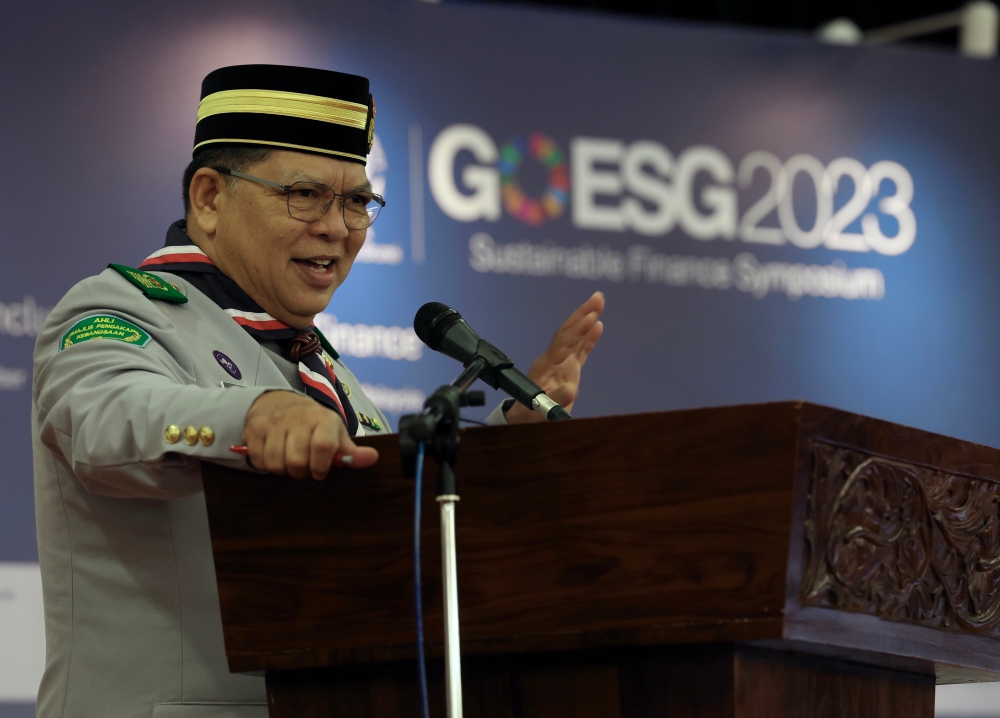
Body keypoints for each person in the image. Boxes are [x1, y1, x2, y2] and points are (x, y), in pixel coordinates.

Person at [31, 64, 605, 718]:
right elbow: (107, 423)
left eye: (357, 201)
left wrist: (513, 443)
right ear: (210, 198)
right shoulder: (121, 310)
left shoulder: (326, 372)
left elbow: (388, 535)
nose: (338, 227)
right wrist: (251, 416)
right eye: (304, 194)